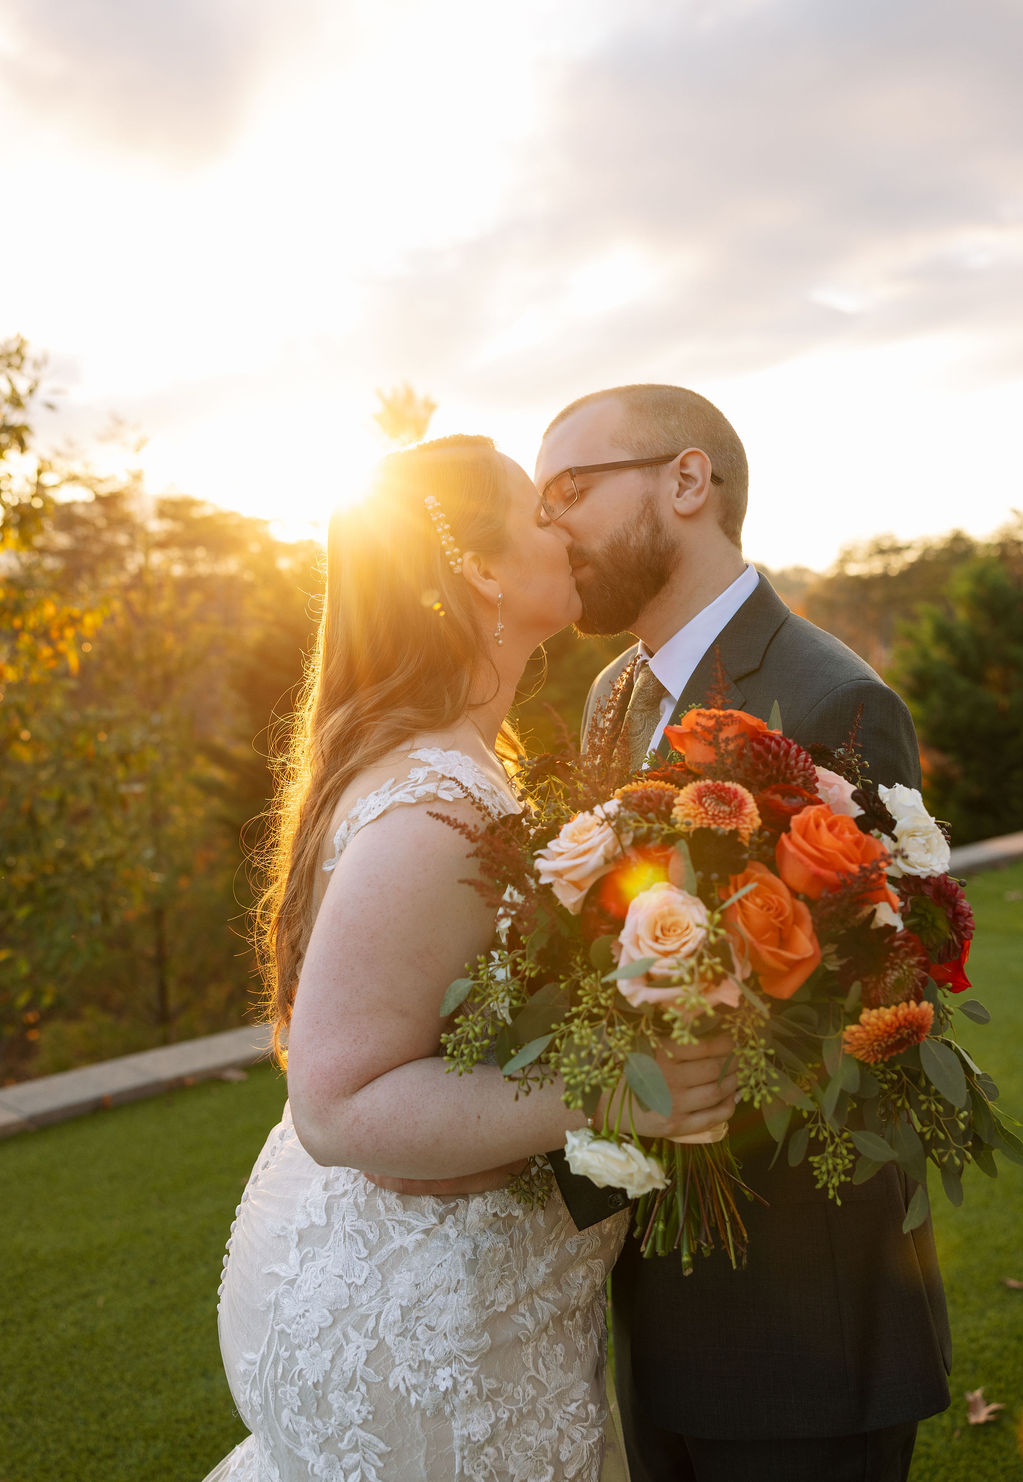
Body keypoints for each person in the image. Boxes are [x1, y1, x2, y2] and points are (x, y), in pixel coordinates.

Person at [202, 435, 737, 1482]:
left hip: (476, 1294)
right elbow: (336, 1106)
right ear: (483, 571)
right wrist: (613, 1093)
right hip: (426, 1335)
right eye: (541, 514)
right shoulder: (432, 809)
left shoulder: (458, 760)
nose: (566, 527)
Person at [533, 385, 952, 1482]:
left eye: (569, 489)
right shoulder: (613, 695)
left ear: (685, 481)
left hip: (800, 1333)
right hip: (657, 1304)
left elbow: (871, 1038)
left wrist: (602, 1112)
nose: (547, 524)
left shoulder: (831, 701)